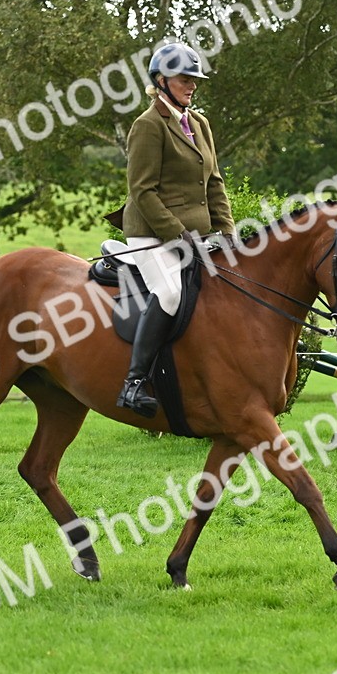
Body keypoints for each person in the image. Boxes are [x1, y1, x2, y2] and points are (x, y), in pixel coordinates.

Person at [107, 42, 236, 417]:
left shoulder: (200, 124)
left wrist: (227, 231)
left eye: (194, 79)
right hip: (150, 232)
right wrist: (179, 237)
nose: (192, 85)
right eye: (184, 79)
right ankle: (133, 383)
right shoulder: (147, 125)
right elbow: (142, 190)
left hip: (194, 236)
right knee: (169, 292)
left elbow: (214, 182)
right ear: (161, 81)